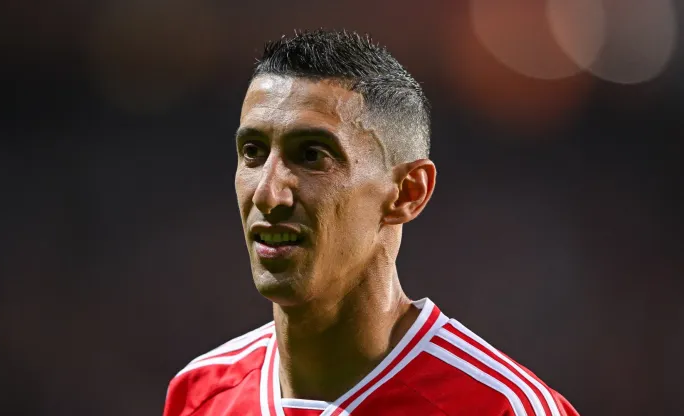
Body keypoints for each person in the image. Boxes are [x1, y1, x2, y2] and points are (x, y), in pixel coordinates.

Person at [163, 29, 579, 416]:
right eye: (253, 151)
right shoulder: (200, 394)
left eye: (311, 155)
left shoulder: (502, 407)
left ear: (407, 192)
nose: (268, 193)